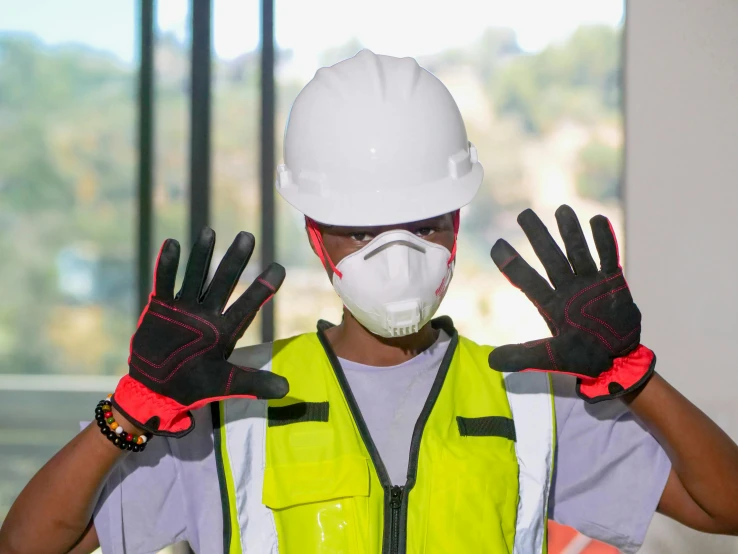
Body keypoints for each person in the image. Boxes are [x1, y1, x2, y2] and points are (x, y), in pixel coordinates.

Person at [1, 49, 738, 554]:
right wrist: (126, 412)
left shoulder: (532, 408)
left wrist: (637, 377)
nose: (398, 256)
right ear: (318, 236)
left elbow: (724, 507)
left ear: (456, 227)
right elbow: (30, 542)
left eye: (423, 226)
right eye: (362, 231)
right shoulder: (226, 410)